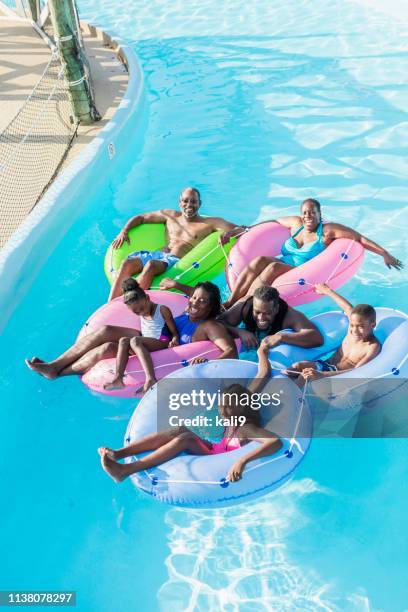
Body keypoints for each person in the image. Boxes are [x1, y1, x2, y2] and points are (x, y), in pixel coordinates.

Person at [98, 342, 282, 483]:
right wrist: (261, 352)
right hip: (217, 447)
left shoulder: (245, 428)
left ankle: (126, 470)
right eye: (221, 405)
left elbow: (274, 442)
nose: (221, 410)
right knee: (180, 429)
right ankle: (119, 454)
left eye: (226, 408)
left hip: (217, 460)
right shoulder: (245, 398)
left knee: (184, 439)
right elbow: (264, 373)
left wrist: (242, 461)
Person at [25, 281, 237, 383]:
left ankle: (59, 373)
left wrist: (206, 362)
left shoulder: (210, 326)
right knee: (106, 330)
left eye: (202, 301)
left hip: (162, 352)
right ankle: (55, 364)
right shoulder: (188, 311)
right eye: (194, 297)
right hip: (156, 338)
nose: (195, 302)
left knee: (107, 349)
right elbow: (190, 298)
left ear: (211, 307)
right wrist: (178, 286)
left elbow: (230, 352)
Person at [223, 197, 403, 308]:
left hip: (299, 270)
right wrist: (245, 229)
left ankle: (242, 305)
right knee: (260, 260)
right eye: (305, 212)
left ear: (319, 214)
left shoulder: (327, 231)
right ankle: (230, 301)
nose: (308, 216)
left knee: (273, 267)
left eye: (312, 212)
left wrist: (384, 253)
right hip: (284, 264)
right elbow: (272, 221)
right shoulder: (296, 224)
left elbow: (359, 238)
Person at [108, 186, 245, 300]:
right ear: (180, 202)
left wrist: (229, 233)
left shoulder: (209, 223)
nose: (189, 205)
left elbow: (242, 229)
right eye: (185, 201)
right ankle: (110, 304)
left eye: (193, 201)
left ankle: (127, 303)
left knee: (150, 266)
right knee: (127, 263)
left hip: (174, 260)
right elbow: (142, 218)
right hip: (157, 254)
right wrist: (124, 231)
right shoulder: (170, 216)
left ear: (199, 204)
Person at [160, 279, 323, 351]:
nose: (260, 318)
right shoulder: (245, 306)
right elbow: (217, 322)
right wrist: (239, 331)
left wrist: (282, 338)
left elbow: (316, 337)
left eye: (267, 313)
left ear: (276, 309)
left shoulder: (289, 315)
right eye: (257, 312)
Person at [287, 283, 381, 381]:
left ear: (373, 325)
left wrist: (323, 375)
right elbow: (347, 308)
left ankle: (291, 393)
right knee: (297, 366)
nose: (354, 330)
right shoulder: (352, 329)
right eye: (352, 325)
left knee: (305, 378)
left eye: (361, 326)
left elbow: (358, 371)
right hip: (325, 365)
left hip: (337, 376)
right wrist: (327, 290)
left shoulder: (372, 347)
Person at [103, 279, 179, 393]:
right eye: (136, 312)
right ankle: (118, 379)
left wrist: (174, 340)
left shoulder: (162, 310)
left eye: (142, 308)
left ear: (147, 298)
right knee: (123, 340)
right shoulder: (140, 309)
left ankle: (151, 379)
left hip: (161, 341)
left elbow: (174, 332)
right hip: (145, 344)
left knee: (134, 341)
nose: (141, 312)